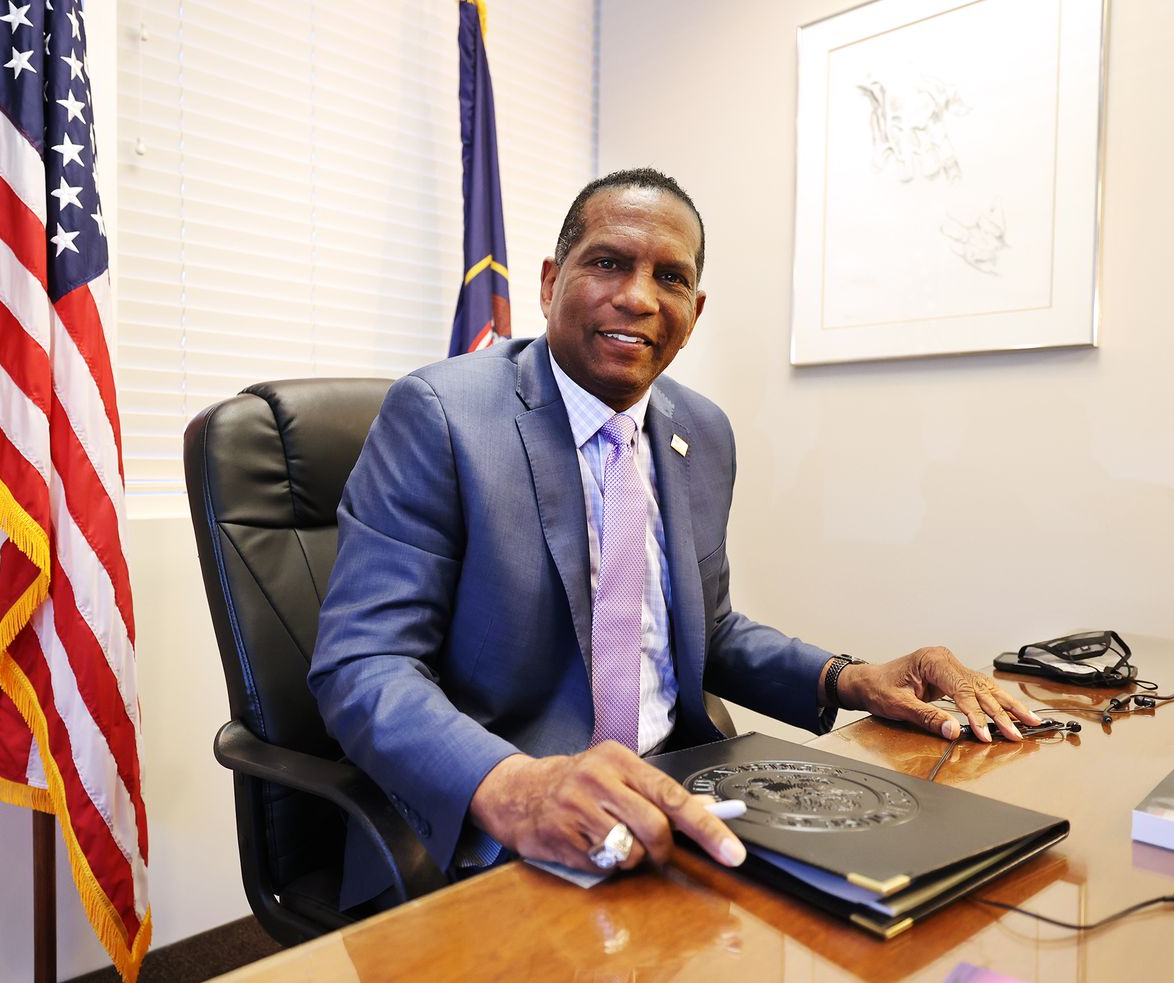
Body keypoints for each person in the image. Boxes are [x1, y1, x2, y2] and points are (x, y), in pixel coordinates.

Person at [309, 168, 1041, 907]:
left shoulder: (702, 430)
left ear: (693, 310)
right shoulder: (440, 414)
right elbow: (364, 664)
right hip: (503, 820)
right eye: (607, 262)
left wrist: (848, 678)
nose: (637, 295)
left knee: (918, 900)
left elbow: (706, 629)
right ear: (548, 281)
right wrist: (517, 784)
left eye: (669, 276)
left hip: (680, 793)